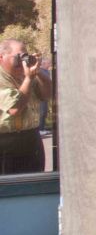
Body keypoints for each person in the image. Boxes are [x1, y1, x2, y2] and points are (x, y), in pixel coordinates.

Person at [0, 39, 52, 174]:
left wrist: (38, 71)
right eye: (18, 57)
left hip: (31, 138)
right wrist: (28, 79)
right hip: (5, 142)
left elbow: (47, 94)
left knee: (34, 185)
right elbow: (15, 109)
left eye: (25, 56)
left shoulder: (28, 74)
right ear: (1, 57)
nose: (22, 62)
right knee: (8, 189)